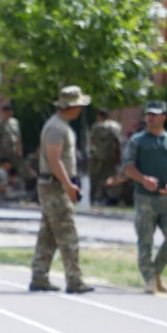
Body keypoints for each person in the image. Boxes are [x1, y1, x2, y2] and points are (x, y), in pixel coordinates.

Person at [29, 86, 94, 294]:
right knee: (68, 234)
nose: (81, 109)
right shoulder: (56, 128)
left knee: (48, 234)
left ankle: (39, 277)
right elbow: (54, 160)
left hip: (53, 185)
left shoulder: (61, 126)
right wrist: (68, 185)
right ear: (71, 106)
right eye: (79, 105)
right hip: (54, 186)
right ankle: (75, 281)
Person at [122, 100, 167, 294]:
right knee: (145, 241)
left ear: (163, 117)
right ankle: (149, 279)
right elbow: (128, 168)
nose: (150, 117)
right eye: (148, 114)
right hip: (144, 199)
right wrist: (143, 179)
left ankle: (156, 271)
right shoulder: (137, 141)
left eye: (155, 114)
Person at [89, 108, 123, 204]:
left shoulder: (96, 126)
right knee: (109, 176)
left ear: (99, 115)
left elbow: (92, 140)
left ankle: (94, 197)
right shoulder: (115, 126)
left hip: (97, 156)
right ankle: (108, 197)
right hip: (110, 156)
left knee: (95, 177)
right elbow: (117, 142)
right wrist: (118, 155)